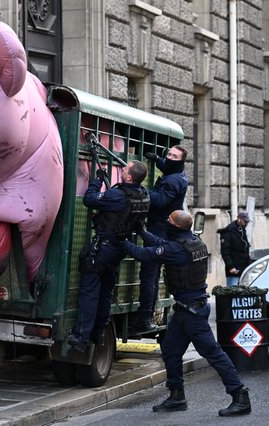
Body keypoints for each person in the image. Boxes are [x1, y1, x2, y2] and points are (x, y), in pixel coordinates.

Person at [124, 210, 251, 416]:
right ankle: (177, 397)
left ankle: (240, 396)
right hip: (186, 309)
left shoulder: (177, 249)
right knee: (170, 351)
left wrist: (119, 240)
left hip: (192, 312)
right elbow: (160, 245)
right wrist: (142, 232)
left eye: (169, 220)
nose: (166, 221)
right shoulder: (193, 242)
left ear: (176, 227)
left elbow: (144, 254)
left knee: (213, 354)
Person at [67, 160, 150, 353]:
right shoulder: (143, 196)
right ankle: (99, 332)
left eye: (125, 168)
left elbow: (89, 199)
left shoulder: (117, 195)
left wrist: (96, 181)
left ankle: (80, 337)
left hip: (103, 249)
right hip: (119, 249)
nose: (122, 168)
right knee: (105, 293)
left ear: (129, 177)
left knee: (90, 293)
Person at [131, 145, 188, 333]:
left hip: (160, 229)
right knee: (151, 275)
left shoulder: (174, 181)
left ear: (180, 161)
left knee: (149, 275)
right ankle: (147, 315)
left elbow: (161, 200)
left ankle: (145, 317)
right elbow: (168, 167)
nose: (169, 157)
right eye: (169, 154)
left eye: (174, 156)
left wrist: (140, 189)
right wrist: (157, 159)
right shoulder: (176, 173)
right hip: (159, 227)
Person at [217, 211, 253, 287]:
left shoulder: (242, 230)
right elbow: (225, 251)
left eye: (247, 222)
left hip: (244, 268)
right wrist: (231, 267)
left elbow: (245, 248)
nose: (246, 224)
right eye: (245, 222)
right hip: (234, 270)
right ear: (239, 219)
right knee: (232, 293)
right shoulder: (229, 231)